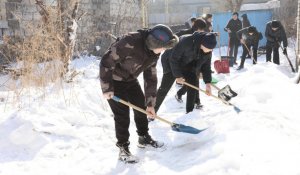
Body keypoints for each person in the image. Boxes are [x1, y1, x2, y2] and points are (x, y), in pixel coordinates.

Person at [100, 24, 178, 163]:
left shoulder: (154, 52)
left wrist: (150, 103)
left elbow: (151, 77)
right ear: (154, 43)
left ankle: (143, 137)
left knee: (142, 108)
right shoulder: (130, 41)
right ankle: (123, 149)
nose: (163, 51)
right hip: (114, 81)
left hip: (130, 80)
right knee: (122, 116)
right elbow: (107, 61)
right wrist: (107, 88)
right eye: (163, 47)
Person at [154, 18, 207, 113]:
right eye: (202, 29)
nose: (204, 32)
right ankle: (152, 110)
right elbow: (172, 54)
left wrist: (200, 70)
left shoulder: (199, 38)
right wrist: (178, 75)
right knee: (165, 87)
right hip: (170, 61)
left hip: (183, 62)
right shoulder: (185, 35)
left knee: (194, 79)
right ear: (198, 29)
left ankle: (196, 102)